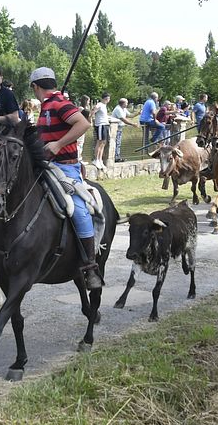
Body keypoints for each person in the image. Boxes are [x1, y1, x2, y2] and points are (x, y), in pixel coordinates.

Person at [28, 66, 103, 290]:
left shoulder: (59, 103)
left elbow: (84, 123)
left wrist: (58, 144)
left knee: (77, 209)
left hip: (66, 168)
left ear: (35, 87)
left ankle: (90, 265)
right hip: (44, 165)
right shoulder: (47, 105)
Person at [111, 97, 138, 162]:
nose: (127, 104)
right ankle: (116, 158)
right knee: (116, 143)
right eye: (126, 103)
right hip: (115, 130)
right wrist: (132, 124)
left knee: (118, 143)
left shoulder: (124, 109)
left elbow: (130, 115)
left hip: (119, 129)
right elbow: (123, 120)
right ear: (123, 103)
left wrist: (138, 113)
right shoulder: (118, 109)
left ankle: (117, 157)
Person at [91, 92, 111, 170]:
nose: (108, 100)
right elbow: (93, 111)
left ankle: (100, 160)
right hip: (100, 125)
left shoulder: (104, 106)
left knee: (103, 143)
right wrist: (91, 120)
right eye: (107, 98)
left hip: (105, 125)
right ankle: (96, 160)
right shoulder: (99, 104)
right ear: (104, 98)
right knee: (99, 142)